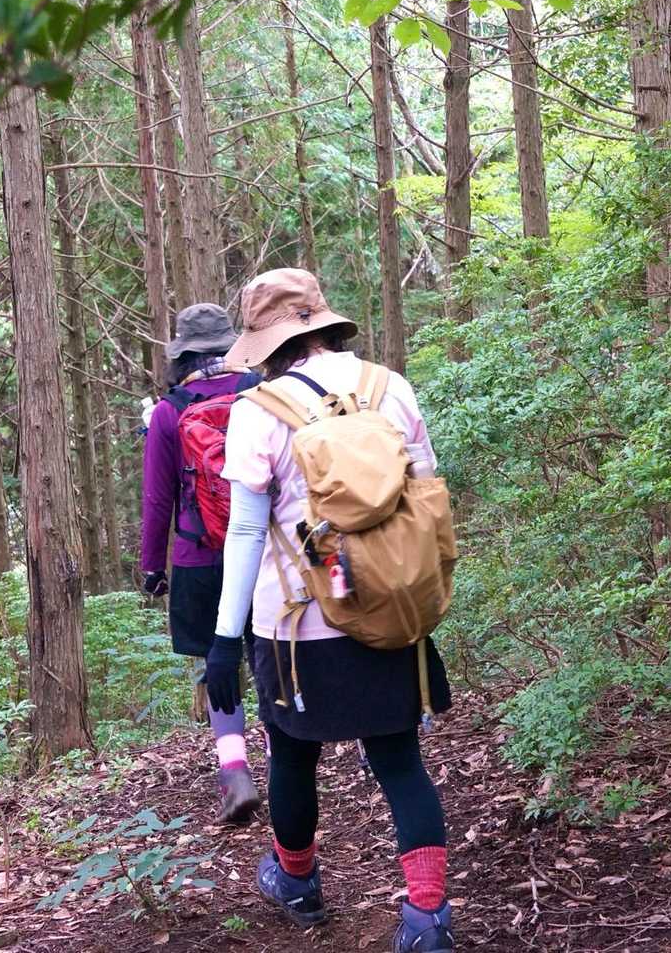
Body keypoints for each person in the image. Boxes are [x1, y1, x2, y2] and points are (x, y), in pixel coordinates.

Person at [203, 269, 456, 952]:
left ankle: (297, 883)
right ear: (322, 323)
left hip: (294, 624)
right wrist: (420, 598)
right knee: (399, 761)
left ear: (267, 343)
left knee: (291, 755)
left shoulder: (258, 409)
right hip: (389, 607)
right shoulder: (388, 386)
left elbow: (246, 530)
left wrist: (223, 641)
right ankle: (427, 918)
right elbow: (426, 496)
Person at [140, 303, 262, 824]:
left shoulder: (169, 411)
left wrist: (153, 566)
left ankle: (235, 770)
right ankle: (289, 752)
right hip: (263, 546)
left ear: (182, 354)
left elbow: (157, 499)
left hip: (199, 555)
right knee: (267, 648)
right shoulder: (260, 391)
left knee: (217, 660)